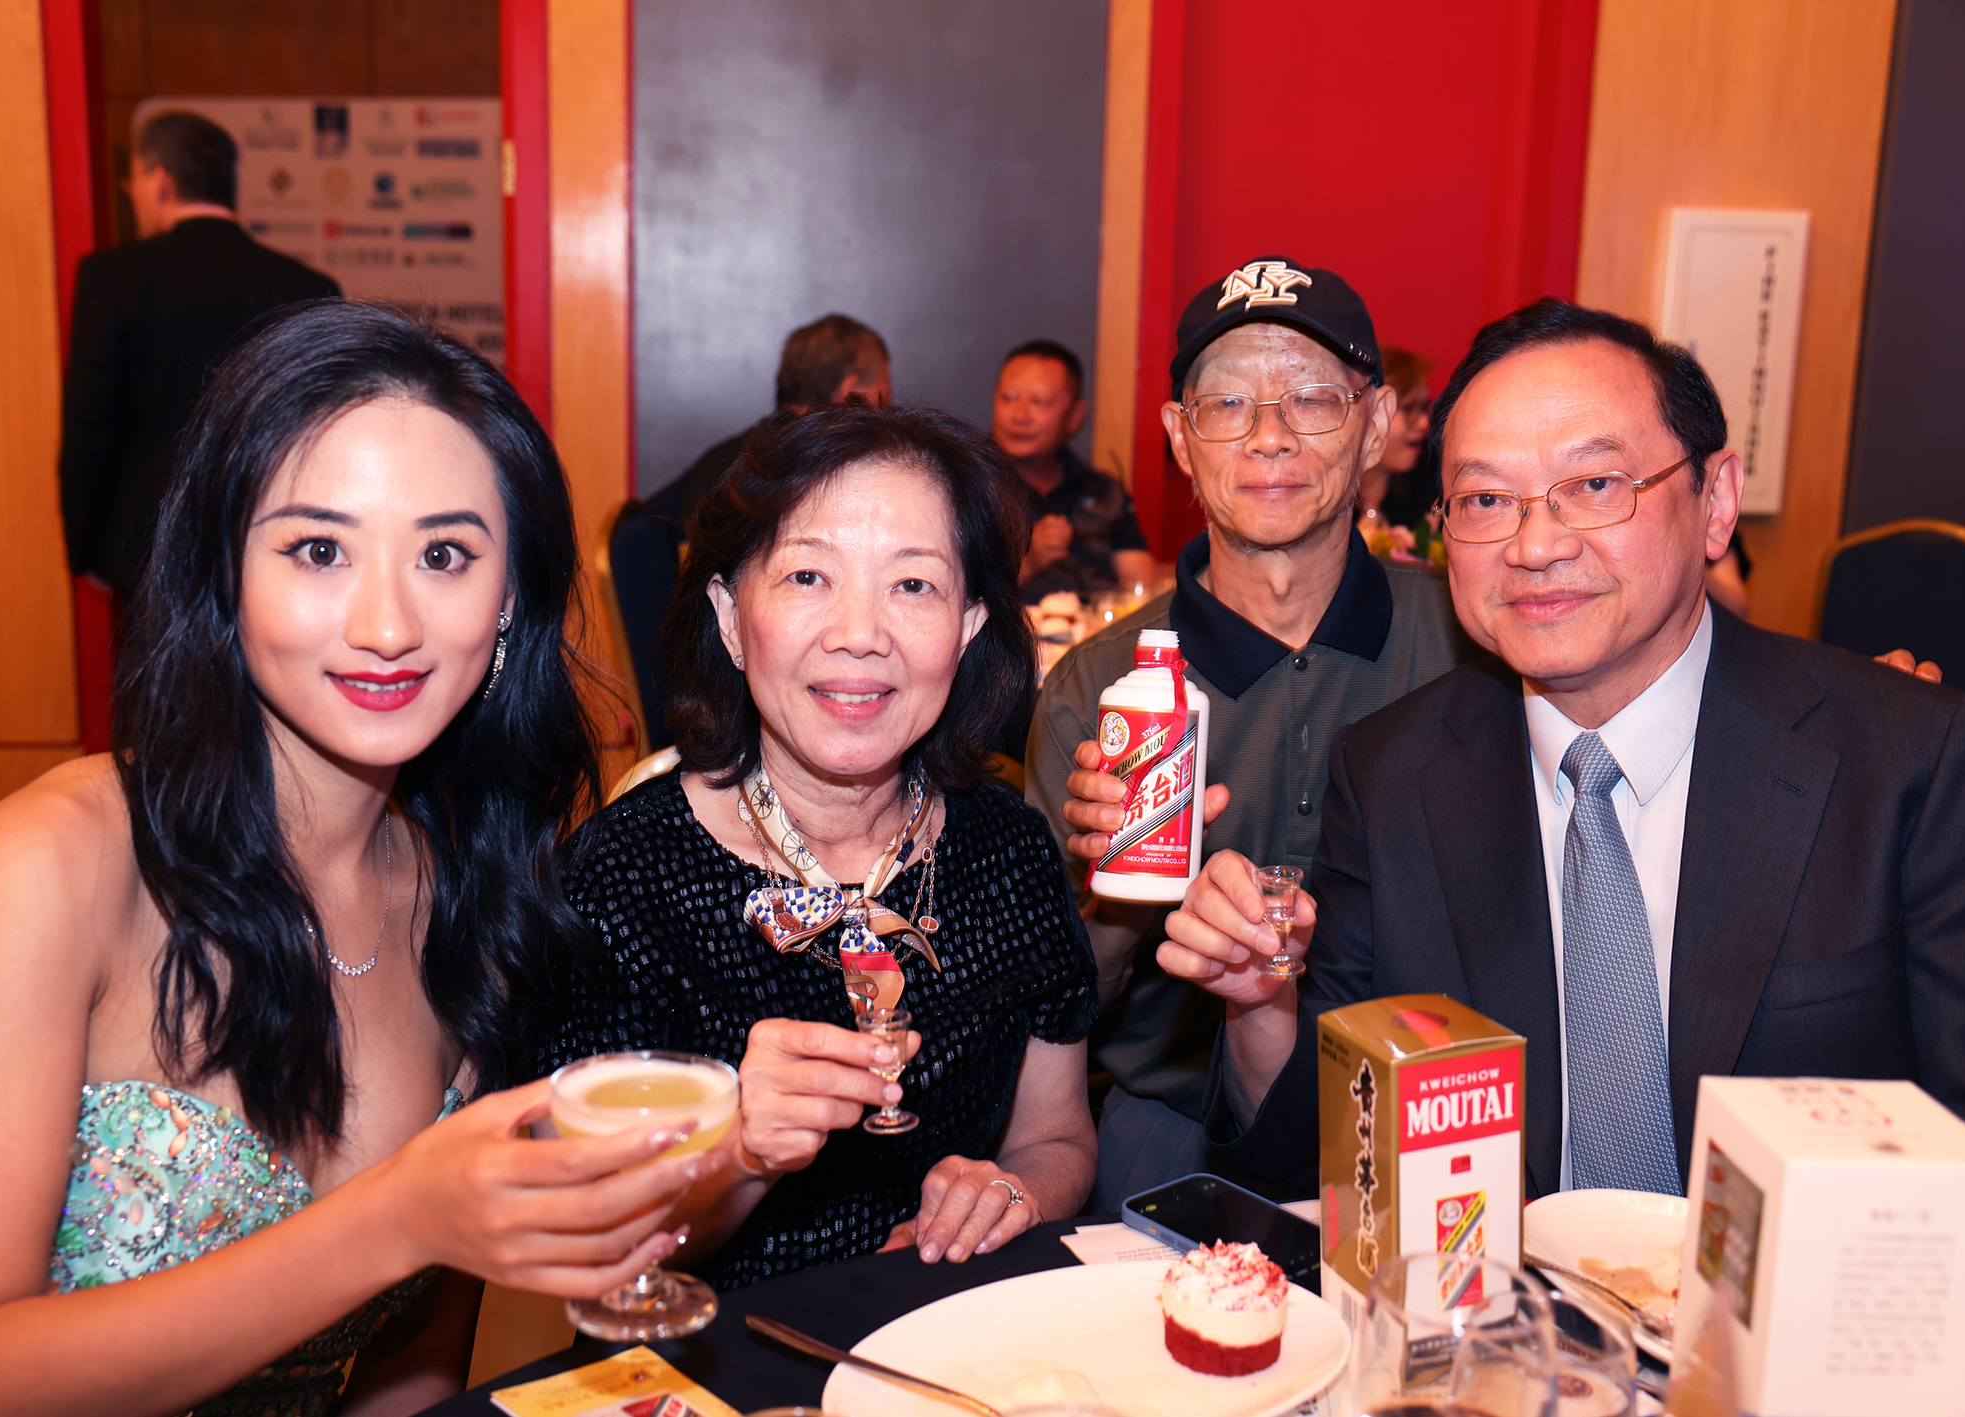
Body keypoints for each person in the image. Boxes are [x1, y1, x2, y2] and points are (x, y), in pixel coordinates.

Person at [0, 303, 707, 1415]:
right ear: (225, 568)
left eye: (445, 556)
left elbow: (410, 1375)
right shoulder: (63, 861)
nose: (386, 625)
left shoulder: (473, 909)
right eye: (319, 550)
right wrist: (396, 1220)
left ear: (509, 596)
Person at [1136, 297, 1965, 1196]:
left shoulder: (1906, 760)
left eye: (1594, 485)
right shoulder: (1390, 775)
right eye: (1485, 499)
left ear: (1715, 503)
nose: (1536, 545)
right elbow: (1325, 1151)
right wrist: (1260, 1002)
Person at [535, 403, 1099, 1286]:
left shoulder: (1009, 849)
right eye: (807, 576)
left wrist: (1012, 1190)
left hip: (949, 1336)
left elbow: (1056, 1138)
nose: (859, 634)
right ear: (729, 617)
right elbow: (590, 1249)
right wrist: (738, 1151)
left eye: (913, 585)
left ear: (967, 626)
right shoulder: (623, 879)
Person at [1024, 257, 1474, 1208]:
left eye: (1310, 398)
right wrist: (1110, 884)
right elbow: (1055, 1011)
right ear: (1178, 439)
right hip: (1173, 1127)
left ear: (1375, 426)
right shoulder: (1097, 688)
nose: (1269, 436)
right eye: (1226, 404)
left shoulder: (1470, 645)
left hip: (1435, 1113)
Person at [59, 110, 341, 601]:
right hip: (269, 534)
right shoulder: (306, 287)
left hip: (146, 543)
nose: (131, 193)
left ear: (160, 182)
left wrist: (85, 549)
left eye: (134, 179)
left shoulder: (114, 278)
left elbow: (91, 429)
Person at [646, 313, 893, 530]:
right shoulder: (808, 470)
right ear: (853, 389)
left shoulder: (730, 456)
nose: (888, 405)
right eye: (885, 385)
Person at [993, 340, 1154, 597]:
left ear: (1076, 416)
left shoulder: (1103, 491)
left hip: (1102, 619)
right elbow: (956, 593)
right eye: (1009, 398)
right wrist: (1030, 562)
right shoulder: (965, 484)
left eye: (1039, 402)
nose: (1020, 416)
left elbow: (1140, 583)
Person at [1356, 346, 1438, 537]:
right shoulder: (1326, 496)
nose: (1423, 423)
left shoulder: (1430, 489)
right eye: (1409, 408)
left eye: (1423, 408)